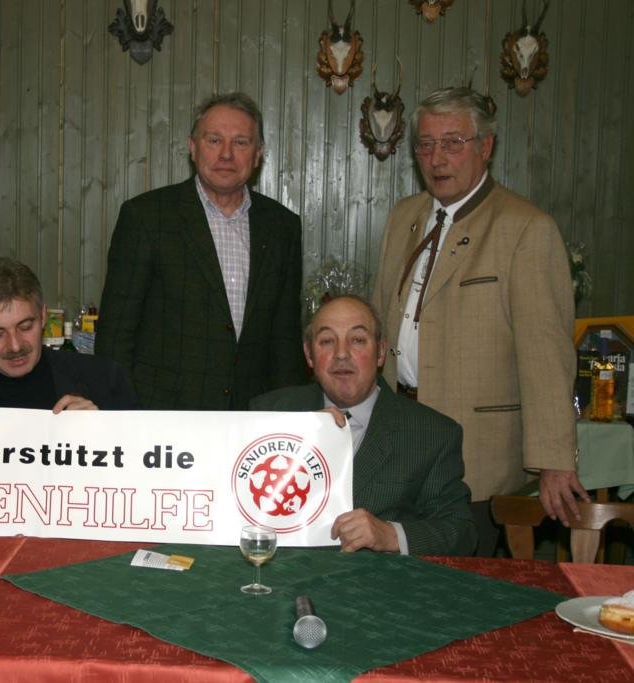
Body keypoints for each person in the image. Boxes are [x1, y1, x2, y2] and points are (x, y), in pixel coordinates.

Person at [371, 87, 586, 556]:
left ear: (485, 147)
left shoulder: (526, 228)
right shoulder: (403, 218)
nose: (437, 158)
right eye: (426, 145)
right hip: (399, 442)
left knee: (461, 585)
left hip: (478, 457)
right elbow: (379, 330)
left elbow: (547, 356)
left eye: (453, 143)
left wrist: (554, 460)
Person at [95, 92, 306, 410]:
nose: (226, 154)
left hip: (252, 416)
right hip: (163, 416)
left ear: (258, 154)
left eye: (240, 142)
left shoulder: (282, 227)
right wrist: (123, 415)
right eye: (214, 140)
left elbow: (285, 338)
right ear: (193, 148)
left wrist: (289, 416)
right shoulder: (147, 217)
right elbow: (115, 335)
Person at [251, 295, 477, 556]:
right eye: (327, 341)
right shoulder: (267, 414)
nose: (341, 353)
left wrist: (390, 535)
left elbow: (461, 532)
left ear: (380, 352)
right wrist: (300, 437)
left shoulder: (432, 434)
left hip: (376, 579)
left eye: (357, 340)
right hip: (282, 575)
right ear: (309, 354)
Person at [0, 257, 137, 411]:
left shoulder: (106, 381)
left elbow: (138, 452)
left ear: (44, 316)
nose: (15, 346)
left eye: (26, 326)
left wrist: (103, 430)